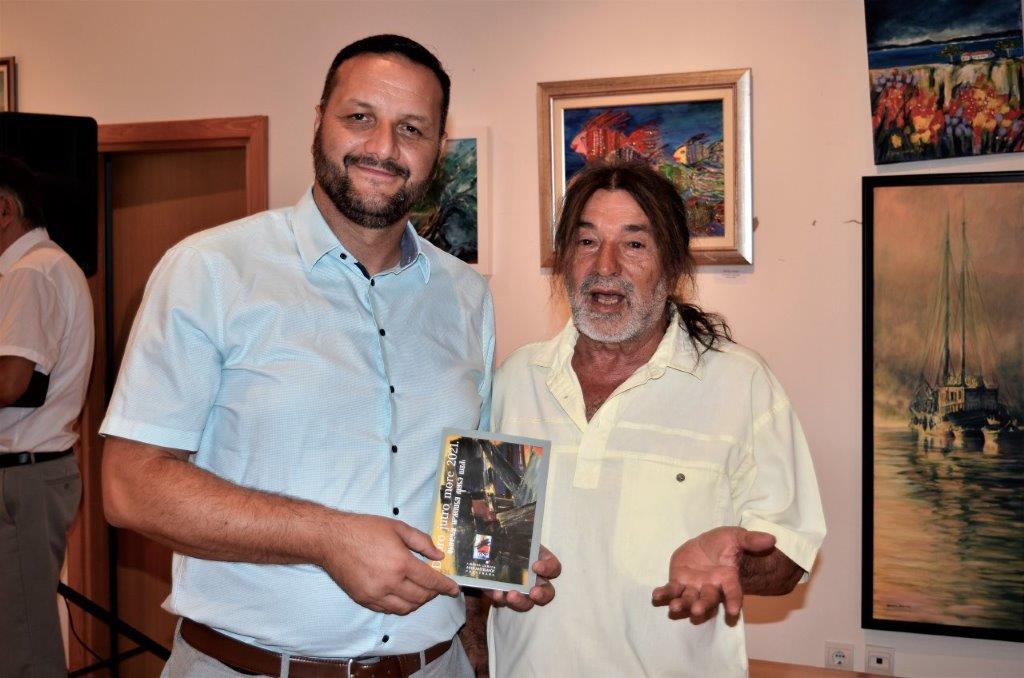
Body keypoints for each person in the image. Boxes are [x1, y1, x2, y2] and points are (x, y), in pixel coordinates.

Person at [100, 35, 557, 678]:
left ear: (438, 147)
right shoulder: (209, 268)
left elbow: (473, 483)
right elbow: (129, 486)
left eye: (412, 129)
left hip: (435, 664)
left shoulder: (466, 295)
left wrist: (500, 560)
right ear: (319, 121)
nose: (383, 148)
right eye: (360, 117)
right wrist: (326, 538)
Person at [485, 160, 826, 677]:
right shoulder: (517, 379)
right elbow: (489, 535)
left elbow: (790, 558)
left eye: (634, 244)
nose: (605, 266)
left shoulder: (741, 384)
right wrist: (495, 567)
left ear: (671, 268)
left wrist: (736, 561)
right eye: (586, 242)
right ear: (564, 261)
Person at [0, 154, 94, 677]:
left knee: (23, 650)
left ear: (3, 210)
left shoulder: (31, 272)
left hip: (22, 479)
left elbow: (11, 382)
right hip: (33, 474)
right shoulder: (50, 264)